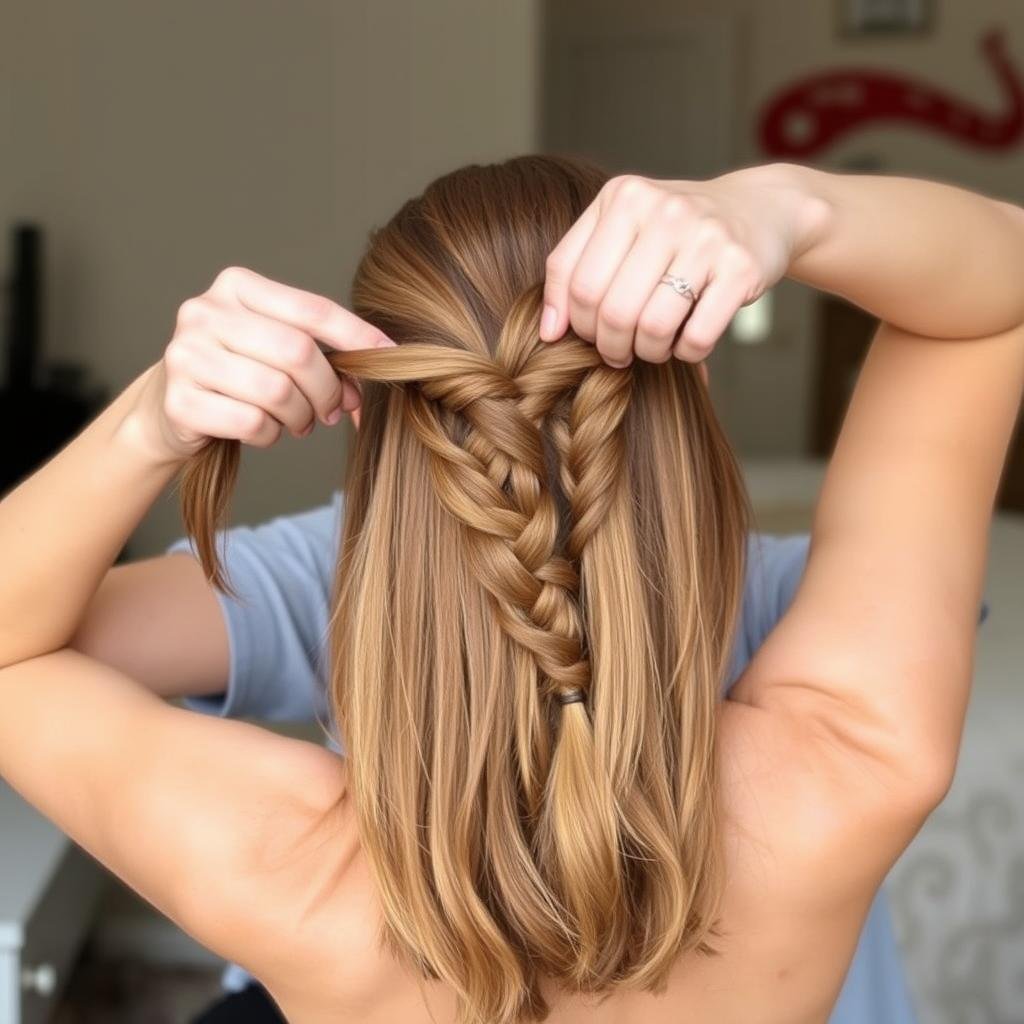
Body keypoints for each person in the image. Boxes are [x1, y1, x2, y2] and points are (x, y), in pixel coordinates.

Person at [1, 154, 1021, 1024]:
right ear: (695, 385)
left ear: (373, 422)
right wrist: (787, 208)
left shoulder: (289, 872)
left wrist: (151, 421)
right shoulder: (841, 769)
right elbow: (993, 301)